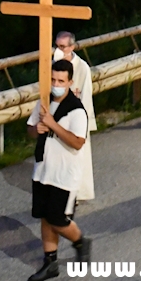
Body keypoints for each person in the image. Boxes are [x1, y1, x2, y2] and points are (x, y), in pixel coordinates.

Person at [26, 59, 91, 281]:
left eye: (61, 80)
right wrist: (38, 128)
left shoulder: (77, 111)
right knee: (45, 217)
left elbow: (77, 142)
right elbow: (31, 129)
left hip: (65, 175)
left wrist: (53, 125)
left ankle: (80, 241)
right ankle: (50, 262)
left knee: (58, 219)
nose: (56, 84)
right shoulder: (44, 102)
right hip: (43, 170)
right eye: (53, 79)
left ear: (70, 82)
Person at [52, 32, 97, 202]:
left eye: (63, 47)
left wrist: (83, 123)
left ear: (72, 47)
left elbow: (86, 96)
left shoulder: (82, 67)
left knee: (77, 157)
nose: (59, 50)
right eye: (57, 46)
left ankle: (76, 193)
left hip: (76, 117)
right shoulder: (53, 66)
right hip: (58, 118)